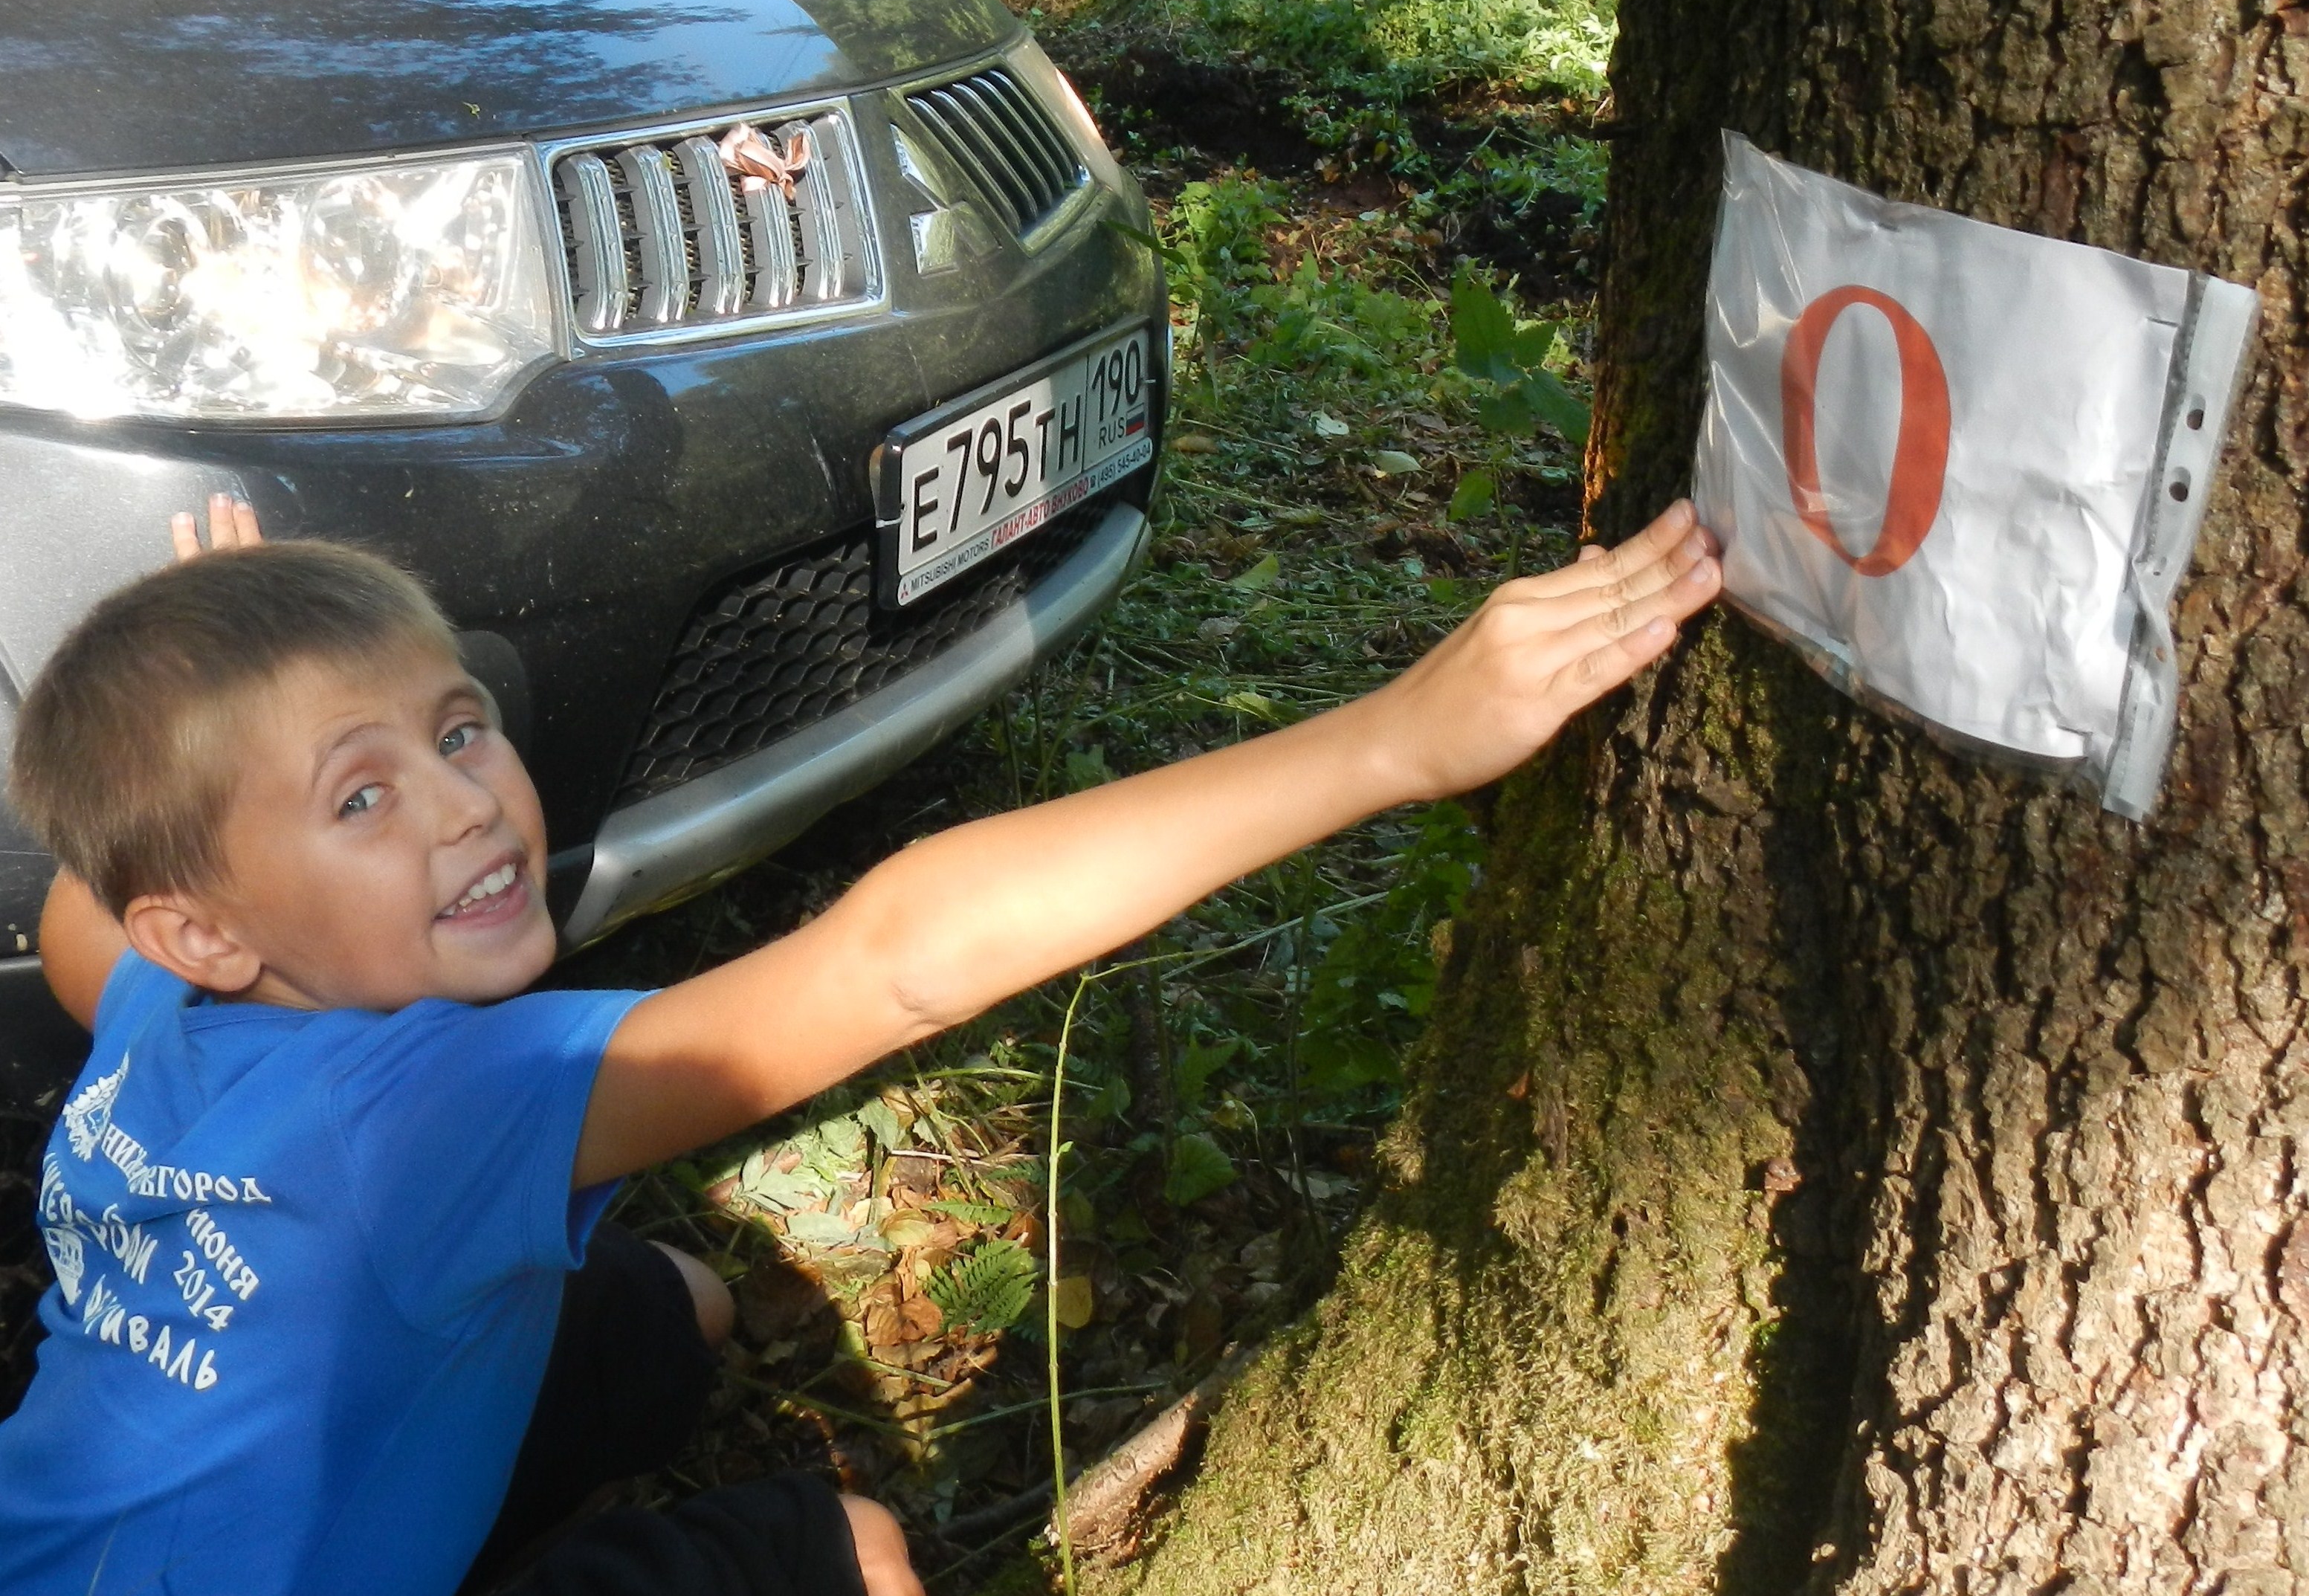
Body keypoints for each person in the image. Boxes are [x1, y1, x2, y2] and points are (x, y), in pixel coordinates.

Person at [0, 488, 1719, 1595]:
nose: (464, 806)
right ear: (206, 923)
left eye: (456, 732)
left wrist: (217, 699)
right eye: (359, 798)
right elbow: (893, 964)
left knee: (674, 1307)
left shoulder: (158, 989)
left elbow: (93, 898)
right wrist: (1390, 742)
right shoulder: (426, 1110)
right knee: (855, 1552)